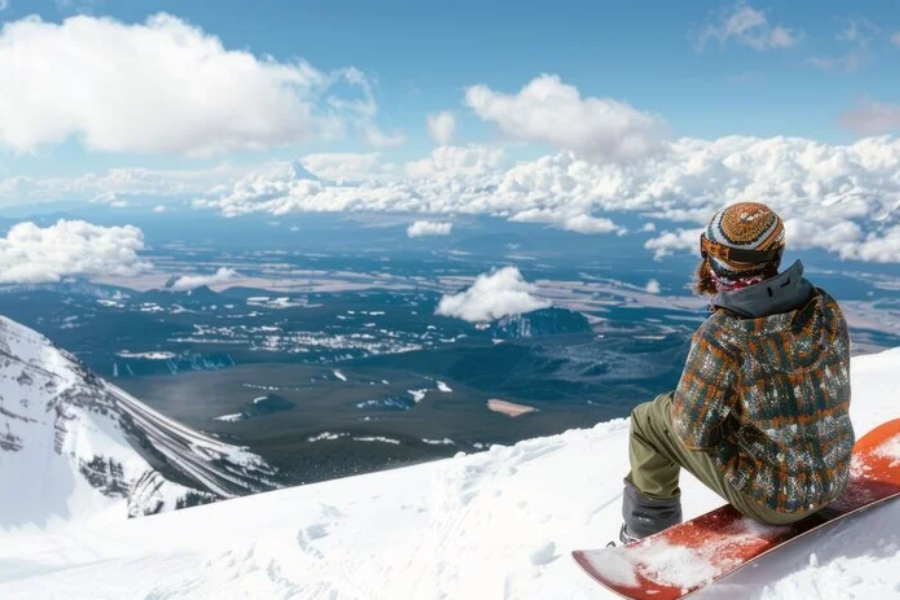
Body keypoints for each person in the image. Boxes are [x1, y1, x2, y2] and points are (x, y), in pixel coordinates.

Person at [619, 201, 855, 544]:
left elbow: (690, 432)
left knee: (649, 420)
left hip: (776, 501)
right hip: (834, 477)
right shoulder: (823, 306)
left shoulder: (723, 335)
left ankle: (642, 538)